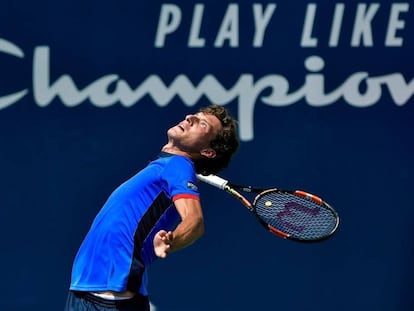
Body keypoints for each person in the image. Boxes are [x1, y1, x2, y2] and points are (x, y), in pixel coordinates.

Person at [64, 104, 239, 311]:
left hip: (111, 298)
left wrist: (171, 241)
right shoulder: (165, 166)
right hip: (86, 290)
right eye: (195, 115)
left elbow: (195, 221)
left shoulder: (179, 166)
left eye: (202, 124)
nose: (190, 117)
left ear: (207, 151)